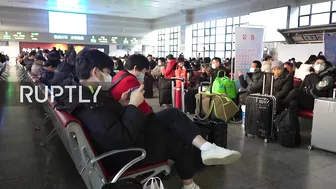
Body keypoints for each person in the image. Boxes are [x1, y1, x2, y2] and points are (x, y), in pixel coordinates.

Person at [55, 49, 241, 189]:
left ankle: (206, 149)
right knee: (181, 139)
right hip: (126, 153)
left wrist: (122, 104)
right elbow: (120, 137)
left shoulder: (84, 95)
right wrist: (134, 106)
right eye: (107, 71)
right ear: (95, 72)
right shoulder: (90, 103)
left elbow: (108, 124)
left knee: (172, 115)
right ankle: (197, 167)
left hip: (118, 146)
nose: (110, 75)